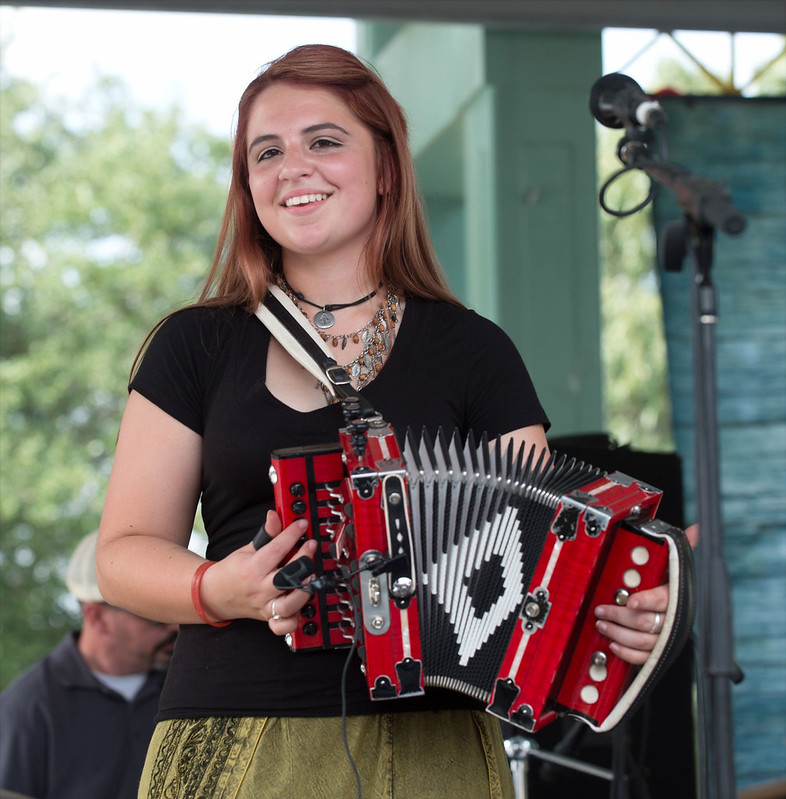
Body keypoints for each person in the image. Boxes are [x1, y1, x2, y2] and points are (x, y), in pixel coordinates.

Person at [95, 44, 680, 799]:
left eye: (325, 141)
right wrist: (219, 587)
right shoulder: (194, 343)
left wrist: (632, 606)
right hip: (237, 732)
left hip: (437, 746)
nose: (292, 166)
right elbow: (123, 553)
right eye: (266, 152)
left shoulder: (474, 349)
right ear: (247, 186)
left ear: (385, 169)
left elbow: (551, 558)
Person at [0, 531, 178, 799]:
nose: (174, 626)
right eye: (154, 614)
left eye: (175, 609)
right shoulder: (29, 706)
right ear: (96, 618)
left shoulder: (184, 685)